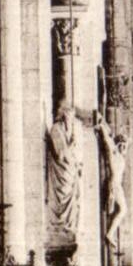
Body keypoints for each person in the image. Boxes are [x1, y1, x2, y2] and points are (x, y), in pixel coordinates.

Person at [47, 101, 83, 238]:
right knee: (61, 202)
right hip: (61, 174)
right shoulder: (56, 129)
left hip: (71, 173)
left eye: (72, 118)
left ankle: (69, 226)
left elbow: (75, 156)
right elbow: (61, 155)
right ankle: (61, 226)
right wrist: (72, 145)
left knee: (74, 202)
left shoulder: (70, 131)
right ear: (62, 115)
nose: (71, 121)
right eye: (68, 116)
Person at [94, 113, 127, 244]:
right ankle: (109, 234)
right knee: (122, 209)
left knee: (121, 210)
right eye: (122, 145)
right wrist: (101, 125)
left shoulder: (120, 156)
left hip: (117, 184)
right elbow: (108, 141)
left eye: (125, 146)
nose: (124, 148)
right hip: (114, 183)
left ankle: (110, 233)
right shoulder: (114, 153)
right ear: (118, 145)